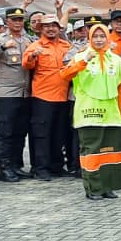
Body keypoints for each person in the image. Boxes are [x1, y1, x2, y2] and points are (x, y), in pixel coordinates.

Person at [61, 22, 121, 199]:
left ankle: (108, 186)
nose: (99, 40)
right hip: (89, 113)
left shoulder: (116, 59)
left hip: (111, 114)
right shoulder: (81, 56)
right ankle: (93, 188)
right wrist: (83, 61)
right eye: (95, 36)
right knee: (92, 151)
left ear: (108, 38)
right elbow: (65, 75)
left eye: (102, 36)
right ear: (90, 38)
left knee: (110, 151)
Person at [22, 15, 74, 180]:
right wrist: (32, 57)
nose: (50, 29)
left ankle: (57, 166)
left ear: (59, 28)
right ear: (41, 29)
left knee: (59, 134)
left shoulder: (67, 46)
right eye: (47, 26)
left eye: (54, 26)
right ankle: (40, 168)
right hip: (42, 98)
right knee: (41, 134)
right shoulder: (35, 46)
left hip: (63, 97)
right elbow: (26, 64)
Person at [0, 7, 32, 180]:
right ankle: (4, 167)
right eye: (14, 20)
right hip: (6, 94)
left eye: (20, 19)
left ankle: (16, 165)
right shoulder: (1, 39)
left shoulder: (28, 40)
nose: (18, 23)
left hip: (24, 93)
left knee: (20, 132)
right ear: (7, 22)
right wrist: (3, 47)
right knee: (5, 132)